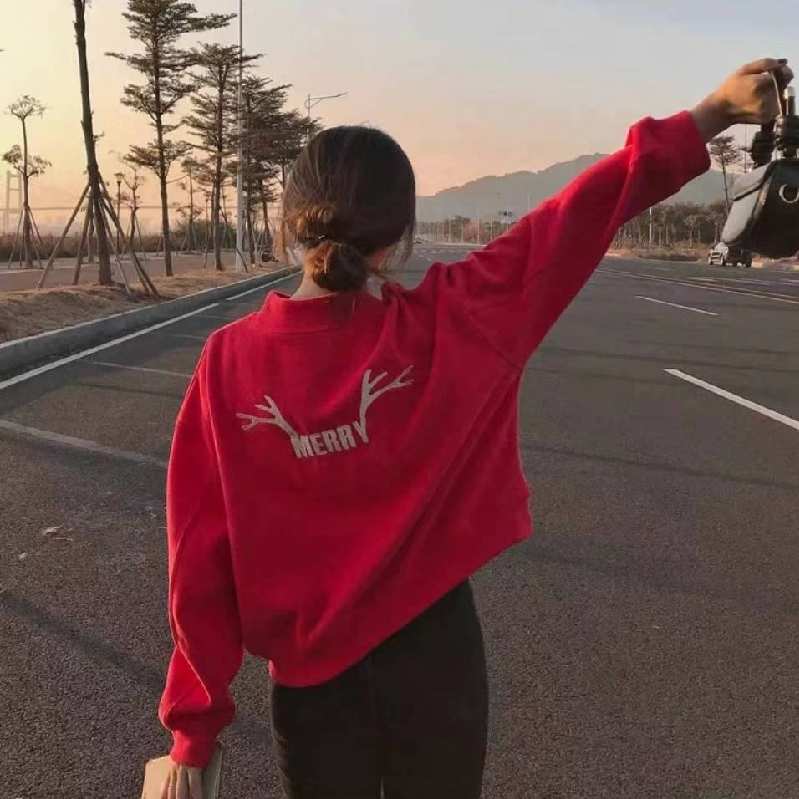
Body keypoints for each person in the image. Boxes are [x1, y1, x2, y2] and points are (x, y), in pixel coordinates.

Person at [158, 58, 792, 799]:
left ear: (286, 223)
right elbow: (579, 214)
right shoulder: (459, 318)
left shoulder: (227, 361)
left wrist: (193, 728)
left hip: (312, 688)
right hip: (438, 661)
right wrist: (714, 111)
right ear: (402, 235)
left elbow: (197, 556)